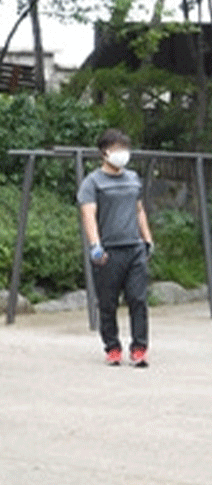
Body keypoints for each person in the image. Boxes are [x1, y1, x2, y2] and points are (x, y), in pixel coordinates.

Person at [78, 128, 154, 367]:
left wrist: (147, 239)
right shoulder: (92, 182)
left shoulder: (132, 179)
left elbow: (139, 210)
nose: (123, 154)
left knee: (138, 299)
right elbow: (88, 215)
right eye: (118, 149)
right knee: (108, 302)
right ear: (104, 152)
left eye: (125, 149)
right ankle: (112, 347)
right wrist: (95, 245)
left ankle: (139, 348)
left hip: (134, 249)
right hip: (109, 251)